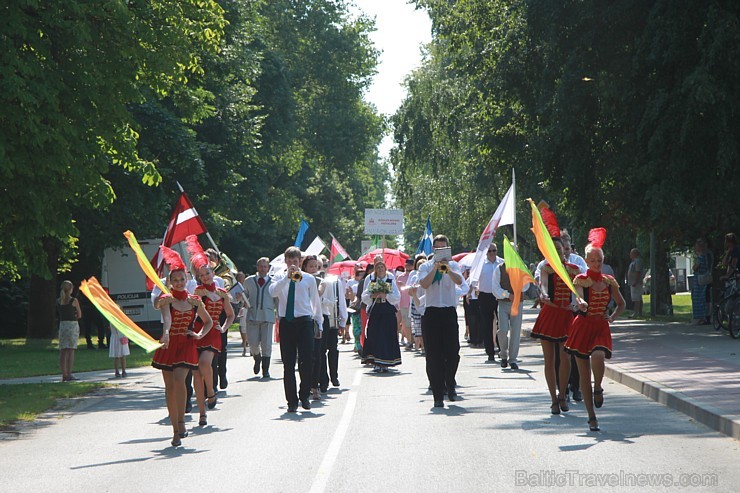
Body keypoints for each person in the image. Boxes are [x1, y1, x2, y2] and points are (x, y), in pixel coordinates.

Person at [564, 229, 626, 432]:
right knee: (583, 374)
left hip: (600, 325)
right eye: (592, 260)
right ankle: (592, 417)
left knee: (598, 356)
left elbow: (621, 303)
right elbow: (580, 295)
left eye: (599, 260)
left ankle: (598, 386)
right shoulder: (581, 279)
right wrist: (580, 302)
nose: (596, 264)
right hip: (582, 326)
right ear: (586, 260)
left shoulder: (609, 281)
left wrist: (613, 317)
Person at [152, 246, 213, 446]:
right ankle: (176, 429)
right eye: (174, 280)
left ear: (187, 280)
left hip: (186, 344)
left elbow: (209, 321)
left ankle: (181, 421)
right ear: (169, 281)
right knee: (169, 388)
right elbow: (167, 318)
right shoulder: (166, 299)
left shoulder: (195, 301)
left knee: (180, 380)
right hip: (168, 344)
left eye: (181, 279)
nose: (178, 283)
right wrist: (166, 333)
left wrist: (198, 334)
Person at [187, 236, 235, 425]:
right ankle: (202, 413)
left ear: (212, 272)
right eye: (202, 275)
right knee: (196, 374)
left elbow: (230, 315)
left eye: (208, 273)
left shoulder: (223, 293)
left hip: (213, 332)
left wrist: (223, 328)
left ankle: (211, 392)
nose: (206, 277)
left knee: (205, 363)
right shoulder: (197, 291)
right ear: (199, 277)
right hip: (197, 330)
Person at [269, 246, 323, 412]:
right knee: (288, 364)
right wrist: (286, 277)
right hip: (287, 322)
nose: (293, 264)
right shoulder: (279, 277)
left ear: (300, 261)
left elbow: (315, 302)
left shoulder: (308, 279)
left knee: (307, 360)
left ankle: (304, 395)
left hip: (305, 322)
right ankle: (291, 401)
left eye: (295, 261)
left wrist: (319, 323)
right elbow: (272, 292)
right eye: (290, 261)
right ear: (285, 262)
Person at [530, 237, 580, 414]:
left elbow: (578, 292)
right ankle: (553, 399)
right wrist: (543, 295)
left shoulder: (573, 270)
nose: (559, 252)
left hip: (566, 315)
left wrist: (578, 303)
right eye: (555, 249)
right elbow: (543, 285)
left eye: (561, 249)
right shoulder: (546, 268)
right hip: (549, 315)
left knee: (565, 358)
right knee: (549, 360)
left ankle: (562, 394)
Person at [418, 235, 467, 408]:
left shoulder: (453, 266)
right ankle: (438, 395)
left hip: (448, 312)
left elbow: (460, 281)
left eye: (443, 248)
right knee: (433, 356)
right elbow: (424, 284)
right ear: (433, 250)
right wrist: (435, 268)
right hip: (431, 313)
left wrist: (445, 268)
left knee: (453, 353)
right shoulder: (425, 266)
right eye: (437, 249)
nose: (440, 251)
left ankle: (450, 384)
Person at [492, 249, 533, 370]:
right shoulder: (499, 269)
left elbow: (526, 286)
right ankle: (503, 354)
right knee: (503, 330)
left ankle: (513, 359)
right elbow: (495, 288)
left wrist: (520, 280)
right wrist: (507, 295)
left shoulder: (521, 267)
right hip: (504, 303)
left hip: (517, 303)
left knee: (515, 331)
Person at [361, 260, 402, 372]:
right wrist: (372, 295)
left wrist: (386, 295)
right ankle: (376, 361)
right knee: (374, 335)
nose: (380, 270)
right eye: (378, 268)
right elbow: (364, 296)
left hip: (387, 312)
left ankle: (386, 361)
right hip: (376, 312)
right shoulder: (372, 282)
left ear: (385, 269)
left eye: (382, 268)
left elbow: (397, 296)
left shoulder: (390, 281)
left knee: (387, 336)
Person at [244, 257, 276, 379]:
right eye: (260, 266)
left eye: (265, 266)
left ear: (268, 268)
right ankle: (257, 358)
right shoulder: (249, 281)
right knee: (252, 343)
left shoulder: (273, 282)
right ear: (257, 267)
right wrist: (242, 299)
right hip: (252, 315)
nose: (262, 269)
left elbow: (278, 299)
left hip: (267, 316)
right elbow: (243, 295)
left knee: (266, 344)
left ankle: (265, 369)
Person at [316, 271, 348, 390]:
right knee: (321, 351)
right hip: (318, 320)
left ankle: (334, 375)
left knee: (333, 349)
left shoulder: (334, 281)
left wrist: (343, 320)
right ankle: (324, 379)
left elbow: (340, 300)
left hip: (332, 319)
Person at [477, 243, 503, 362]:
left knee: (501, 325)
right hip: (485, 296)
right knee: (486, 325)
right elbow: (473, 279)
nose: (492, 253)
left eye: (494, 250)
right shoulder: (481, 264)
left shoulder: (502, 263)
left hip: (500, 296)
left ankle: (501, 349)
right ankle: (490, 352)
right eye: (490, 251)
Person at [57, 280, 82, 382]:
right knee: (71, 351)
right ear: (71, 289)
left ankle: (64, 374)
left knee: (63, 351)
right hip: (72, 325)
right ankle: (70, 373)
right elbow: (79, 315)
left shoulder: (58, 301)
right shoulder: (74, 301)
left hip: (63, 325)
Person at [692, 238, 713, 325]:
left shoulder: (701, 256)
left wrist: (694, 267)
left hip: (700, 279)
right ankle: (706, 317)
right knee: (706, 297)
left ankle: (701, 318)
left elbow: (695, 267)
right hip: (705, 278)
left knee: (699, 298)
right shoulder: (708, 255)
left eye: (697, 246)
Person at [408, 255, 427, 354]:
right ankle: (421, 345)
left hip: (426, 303)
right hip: (417, 303)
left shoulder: (429, 277)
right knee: (418, 326)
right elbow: (409, 291)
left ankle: (425, 345)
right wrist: (413, 290)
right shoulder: (415, 276)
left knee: (424, 326)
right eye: (420, 266)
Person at [396, 262, 414, 349]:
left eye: (410, 265)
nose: (408, 266)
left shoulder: (415, 275)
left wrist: (405, 286)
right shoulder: (400, 277)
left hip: (414, 302)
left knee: (413, 323)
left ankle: (414, 340)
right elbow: (397, 291)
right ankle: (409, 341)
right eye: (406, 265)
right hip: (404, 303)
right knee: (406, 323)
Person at [232, 271, 248, 356]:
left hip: (248, 308)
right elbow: (235, 299)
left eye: (242, 277)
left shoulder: (247, 285)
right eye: (239, 277)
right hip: (241, 308)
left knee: (249, 327)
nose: (241, 279)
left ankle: (249, 345)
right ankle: (244, 345)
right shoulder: (236, 286)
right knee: (242, 327)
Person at [627, 248, 644, 317]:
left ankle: (636, 313)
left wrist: (635, 281)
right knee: (638, 297)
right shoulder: (634, 261)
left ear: (635, 254)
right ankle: (639, 313)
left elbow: (638, 272)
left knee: (636, 298)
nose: (630, 255)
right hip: (633, 282)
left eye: (631, 253)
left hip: (636, 283)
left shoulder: (637, 261)